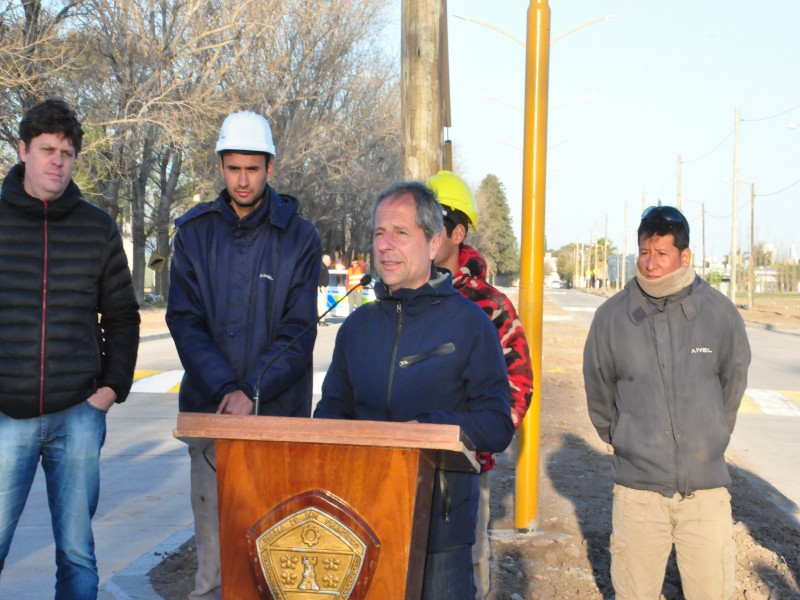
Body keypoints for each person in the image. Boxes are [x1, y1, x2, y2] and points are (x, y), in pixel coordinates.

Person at [314, 181, 514, 599]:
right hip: (360, 519)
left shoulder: (471, 325)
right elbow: (332, 413)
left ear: (433, 241)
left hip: (440, 526)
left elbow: (496, 424)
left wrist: (426, 431)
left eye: (400, 233)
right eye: (379, 233)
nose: (386, 246)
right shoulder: (356, 327)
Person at [166, 110, 321, 600]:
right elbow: (185, 322)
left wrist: (252, 391)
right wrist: (226, 390)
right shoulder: (192, 233)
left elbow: (299, 331)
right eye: (233, 168)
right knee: (214, 565)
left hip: (278, 419)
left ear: (270, 168)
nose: (243, 179)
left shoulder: (301, 238)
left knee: (278, 558)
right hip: (211, 418)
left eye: (253, 169)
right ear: (220, 167)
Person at [0, 99, 140, 599]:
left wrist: (110, 390)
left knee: (78, 555)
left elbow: (122, 315)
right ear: (22, 151)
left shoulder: (96, 226)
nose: (57, 160)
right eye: (46, 150)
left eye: (66, 152)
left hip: (78, 415)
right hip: (6, 417)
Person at [583, 204, 751, 600]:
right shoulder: (612, 318)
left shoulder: (719, 314)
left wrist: (710, 441)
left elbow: (733, 384)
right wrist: (625, 439)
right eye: (644, 252)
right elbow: (599, 390)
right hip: (638, 496)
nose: (650, 263)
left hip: (705, 496)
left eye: (661, 254)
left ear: (684, 256)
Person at [426, 170, 533, 600]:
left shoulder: (491, 307)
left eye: (437, 221)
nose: (427, 231)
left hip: (464, 470)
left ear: (458, 231)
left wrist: (477, 438)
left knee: (465, 573)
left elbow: (519, 384)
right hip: (397, 466)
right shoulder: (395, 296)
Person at [318, 254, 331, 324]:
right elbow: (318, 277)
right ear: (325, 260)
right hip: (321, 288)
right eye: (329, 260)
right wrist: (320, 286)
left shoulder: (324, 267)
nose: (330, 262)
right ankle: (321, 320)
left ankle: (321, 320)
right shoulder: (322, 267)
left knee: (322, 305)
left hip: (323, 287)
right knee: (322, 305)